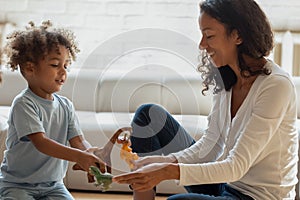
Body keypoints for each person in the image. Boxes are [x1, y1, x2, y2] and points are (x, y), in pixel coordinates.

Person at [113, 0, 298, 199]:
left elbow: (236, 166)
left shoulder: (275, 86)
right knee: (148, 114)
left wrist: (167, 170)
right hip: (226, 185)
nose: (202, 45)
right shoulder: (228, 77)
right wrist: (161, 162)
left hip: (257, 196)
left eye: (209, 35)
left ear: (238, 35)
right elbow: (210, 146)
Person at [0, 21, 105, 200]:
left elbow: (78, 141)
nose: (63, 71)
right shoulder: (23, 104)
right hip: (17, 184)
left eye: (66, 65)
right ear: (29, 68)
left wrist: (89, 154)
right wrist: (79, 157)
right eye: (56, 65)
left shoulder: (66, 106)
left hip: (53, 186)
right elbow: (41, 142)